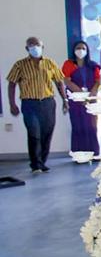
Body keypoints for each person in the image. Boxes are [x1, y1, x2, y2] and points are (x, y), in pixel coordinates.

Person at [6, 37, 68, 173]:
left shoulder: (50, 63)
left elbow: (59, 82)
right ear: (27, 48)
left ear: (42, 47)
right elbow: (11, 84)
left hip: (48, 102)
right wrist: (12, 104)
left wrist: (65, 100)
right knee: (34, 133)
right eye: (31, 45)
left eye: (37, 45)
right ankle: (35, 164)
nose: (35, 48)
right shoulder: (20, 65)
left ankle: (42, 162)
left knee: (47, 132)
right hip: (29, 104)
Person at [62, 41, 101, 160]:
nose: (81, 50)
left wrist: (90, 96)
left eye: (83, 48)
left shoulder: (93, 65)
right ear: (73, 50)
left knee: (92, 126)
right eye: (78, 48)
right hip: (76, 101)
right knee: (78, 126)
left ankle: (94, 153)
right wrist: (81, 94)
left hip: (91, 100)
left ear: (87, 50)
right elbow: (67, 81)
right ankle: (79, 155)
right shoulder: (68, 64)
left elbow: (98, 81)